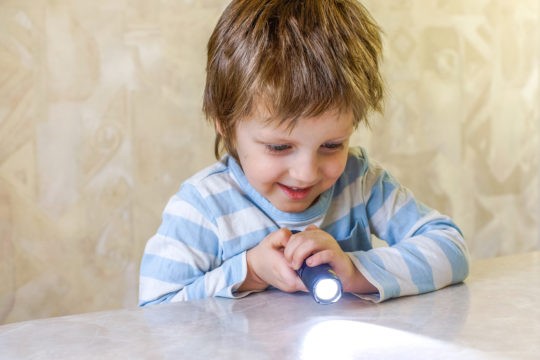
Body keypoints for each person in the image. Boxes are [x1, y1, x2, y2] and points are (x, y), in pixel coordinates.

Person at [139, 0, 469, 306]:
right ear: (225, 126)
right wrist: (249, 272)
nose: (306, 173)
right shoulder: (203, 208)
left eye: (332, 145)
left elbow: (450, 249)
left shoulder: (361, 183)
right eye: (279, 147)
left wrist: (352, 269)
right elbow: (156, 311)